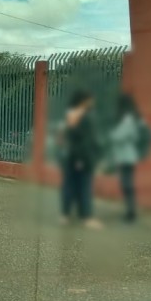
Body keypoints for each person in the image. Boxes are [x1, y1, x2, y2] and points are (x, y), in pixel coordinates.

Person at [59, 89, 102, 229]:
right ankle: (86, 218)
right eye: (90, 99)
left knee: (70, 185)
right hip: (81, 157)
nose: (92, 102)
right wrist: (82, 159)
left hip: (72, 156)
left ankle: (65, 215)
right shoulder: (84, 116)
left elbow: (68, 137)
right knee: (84, 187)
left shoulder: (71, 114)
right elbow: (85, 140)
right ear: (84, 101)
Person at [109, 94, 142, 223]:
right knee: (126, 185)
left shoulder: (128, 120)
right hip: (124, 157)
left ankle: (131, 212)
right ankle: (130, 211)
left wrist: (112, 135)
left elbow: (119, 136)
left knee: (127, 185)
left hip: (126, 158)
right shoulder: (128, 119)